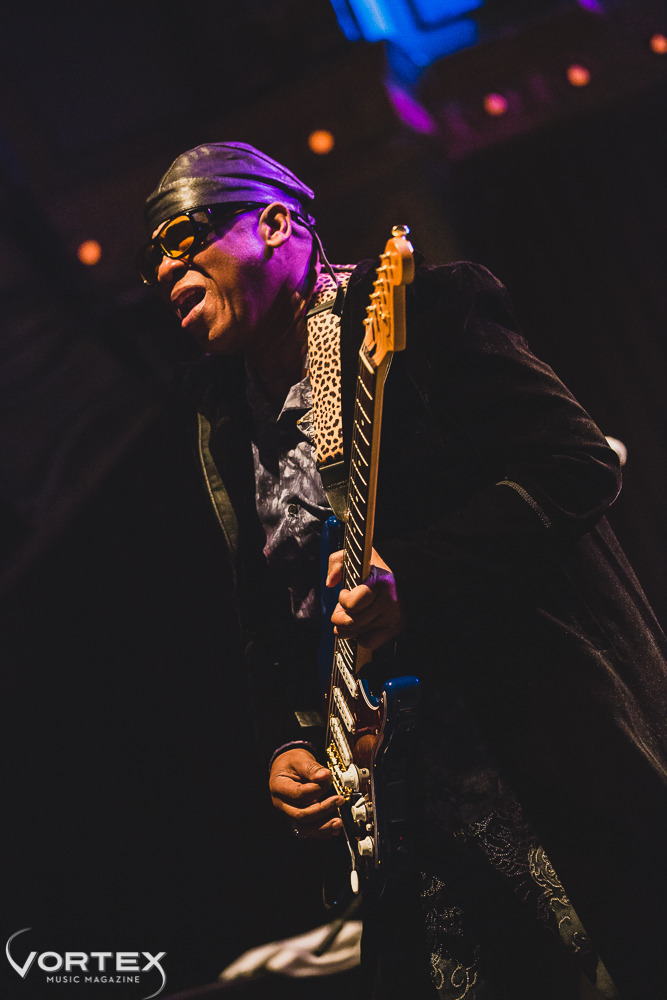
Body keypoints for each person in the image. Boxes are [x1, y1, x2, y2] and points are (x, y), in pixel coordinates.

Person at [139, 142, 667, 1000]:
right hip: (396, 810)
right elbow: (269, 619)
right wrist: (288, 740)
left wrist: (414, 576)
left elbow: (578, 464)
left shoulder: (416, 309)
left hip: (535, 753)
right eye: (149, 258)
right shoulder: (219, 416)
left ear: (274, 222)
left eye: (181, 235)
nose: (163, 269)